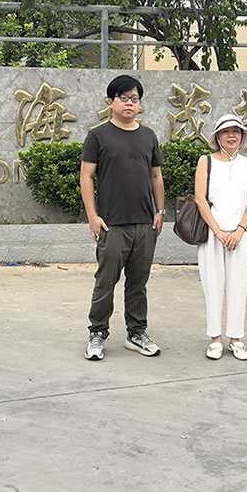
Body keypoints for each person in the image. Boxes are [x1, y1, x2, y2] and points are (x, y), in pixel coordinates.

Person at [81, 75, 166, 360]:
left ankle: (136, 333)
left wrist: (160, 211)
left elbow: (156, 175)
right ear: (110, 101)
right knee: (105, 282)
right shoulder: (98, 135)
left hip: (145, 223)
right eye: (124, 97)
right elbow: (86, 176)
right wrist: (92, 216)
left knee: (138, 283)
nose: (130, 103)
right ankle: (97, 332)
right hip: (111, 223)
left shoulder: (148, 136)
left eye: (135, 98)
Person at [194, 114, 247, 361]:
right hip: (213, 235)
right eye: (226, 132)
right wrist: (218, 231)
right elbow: (200, 199)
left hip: (240, 235)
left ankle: (236, 338)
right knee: (212, 285)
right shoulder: (206, 161)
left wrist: (240, 230)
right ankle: (215, 339)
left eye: (236, 131)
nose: (231, 136)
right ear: (218, 137)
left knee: (238, 286)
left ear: (242, 137)